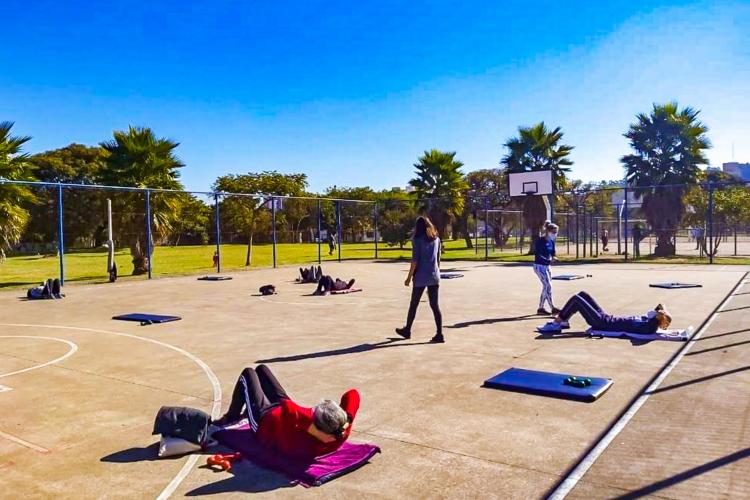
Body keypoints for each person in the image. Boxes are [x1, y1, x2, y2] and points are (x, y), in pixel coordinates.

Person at [212, 364, 359, 460]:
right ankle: (249, 406)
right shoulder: (340, 431)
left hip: (263, 422)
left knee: (248, 373)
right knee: (261, 370)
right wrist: (348, 418)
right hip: (280, 410)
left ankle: (232, 416)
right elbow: (353, 394)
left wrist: (308, 422)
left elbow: (289, 409)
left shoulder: (300, 445)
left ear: (315, 425)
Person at [396, 216, 443, 343]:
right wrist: (436, 273)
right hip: (434, 276)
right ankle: (440, 333)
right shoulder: (436, 239)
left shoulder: (417, 241)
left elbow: (415, 261)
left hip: (421, 276)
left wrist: (409, 277)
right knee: (435, 305)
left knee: (414, 304)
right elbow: (438, 259)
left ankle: (407, 330)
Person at [537, 291, 672, 334]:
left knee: (576, 299)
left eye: (660, 315)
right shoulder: (652, 320)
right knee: (583, 294)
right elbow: (660, 306)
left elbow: (659, 312)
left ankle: (557, 323)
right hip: (606, 317)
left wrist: (663, 315)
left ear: (660, 320)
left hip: (602, 323)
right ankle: (564, 321)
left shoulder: (650, 327)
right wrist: (663, 312)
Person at [533, 221, 559, 316]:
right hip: (539, 266)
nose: (555, 234)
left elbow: (552, 252)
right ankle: (553, 308)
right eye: (553, 232)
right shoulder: (540, 241)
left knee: (547, 286)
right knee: (548, 286)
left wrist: (554, 257)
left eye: (556, 233)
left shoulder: (551, 242)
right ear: (548, 231)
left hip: (547, 266)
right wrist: (548, 261)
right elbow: (538, 255)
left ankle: (541, 308)